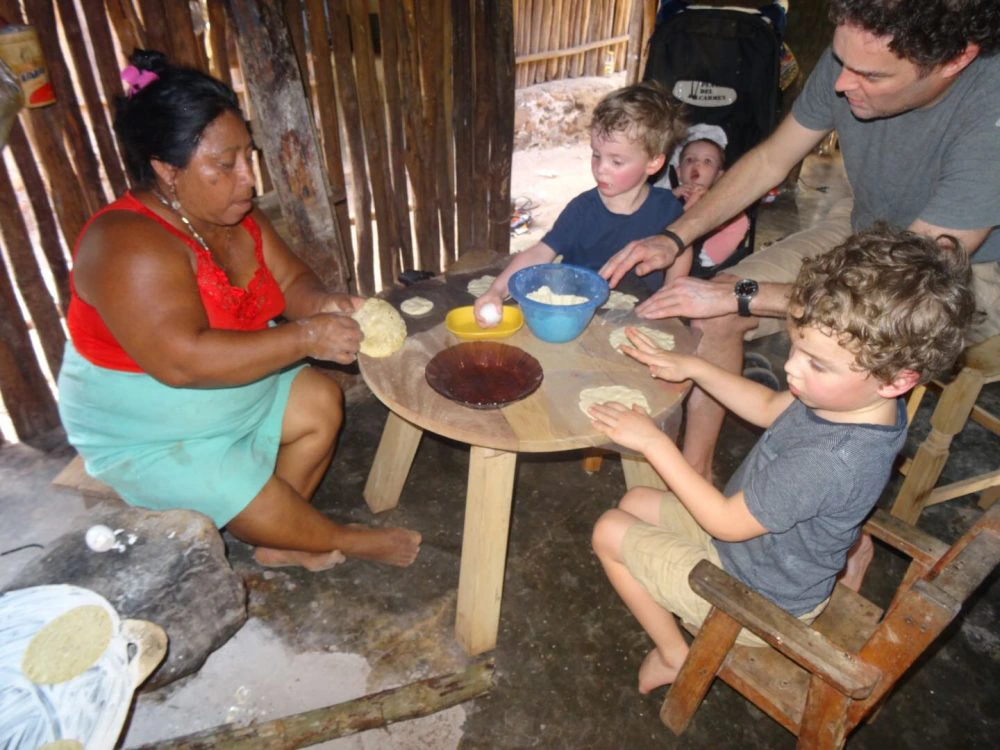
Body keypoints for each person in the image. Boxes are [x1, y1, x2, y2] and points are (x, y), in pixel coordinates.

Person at [599, 0, 1000, 484]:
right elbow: (772, 159)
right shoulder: (858, 50)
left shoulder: (990, 114)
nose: (841, 83)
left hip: (957, 269)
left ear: (956, 59)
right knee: (715, 306)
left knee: (755, 305)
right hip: (865, 224)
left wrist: (744, 294)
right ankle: (694, 473)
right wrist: (674, 235)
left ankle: (807, 489)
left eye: (871, 76)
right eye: (842, 61)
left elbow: (891, 294)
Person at [57, 50, 421, 571]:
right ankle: (344, 537)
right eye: (226, 165)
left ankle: (283, 536)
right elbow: (181, 362)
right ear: (166, 170)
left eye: (249, 157)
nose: (250, 179)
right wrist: (306, 338)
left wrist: (326, 305)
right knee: (235, 487)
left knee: (320, 402)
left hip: (232, 387)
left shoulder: (234, 216)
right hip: (151, 426)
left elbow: (291, 281)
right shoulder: (126, 244)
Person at [589, 227, 976, 694]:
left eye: (817, 363)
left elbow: (725, 521)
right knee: (635, 500)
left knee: (608, 530)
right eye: (797, 346)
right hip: (756, 552)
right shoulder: (853, 401)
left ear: (897, 380)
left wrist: (655, 443)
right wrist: (695, 367)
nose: (791, 366)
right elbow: (769, 407)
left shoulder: (830, 460)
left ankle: (675, 655)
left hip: (756, 597)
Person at [473, 81, 687, 326]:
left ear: (653, 163)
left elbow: (682, 247)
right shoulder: (582, 209)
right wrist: (496, 291)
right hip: (575, 316)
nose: (600, 168)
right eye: (596, 155)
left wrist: (671, 296)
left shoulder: (668, 209)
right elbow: (540, 252)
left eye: (616, 161)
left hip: (638, 319)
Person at [656, 124, 750, 282]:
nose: (697, 164)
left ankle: (708, 261)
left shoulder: (716, 199)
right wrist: (671, 196)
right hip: (667, 249)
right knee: (654, 207)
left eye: (707, 161)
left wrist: (704, 201)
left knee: (739, 219)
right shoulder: (670, 194)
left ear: (718, 176)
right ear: (679, 171)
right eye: (690, 160)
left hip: (704, 254)